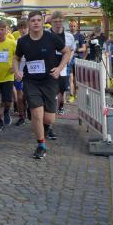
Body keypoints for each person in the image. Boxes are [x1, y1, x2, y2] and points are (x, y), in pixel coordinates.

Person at [13, 10, 71, 159]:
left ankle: (43, 127)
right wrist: (17, 71)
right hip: (31, 81)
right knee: (37, 113)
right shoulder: (23, 41)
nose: (36, 23)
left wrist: (59, 68)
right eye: (33, 21)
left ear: (43, 22)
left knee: (49, 119)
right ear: (29, 23)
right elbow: (16, 58)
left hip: (49, 80)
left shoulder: (51, 37)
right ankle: (41, 145)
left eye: (39, 20)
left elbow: (67, 52)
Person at [0, 19, 18, 131]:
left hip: (7, 77)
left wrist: (15, 67)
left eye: (2, 29)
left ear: (7, 30)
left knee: (7, 101)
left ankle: (6, 112)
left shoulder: (12, 43)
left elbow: (19, 57)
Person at [48, 12, 76, 116]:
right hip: (49, 65)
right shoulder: (46, 34)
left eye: (60, 21)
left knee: (62, 89)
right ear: (51, 22)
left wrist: (69, 58)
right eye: (55, 21)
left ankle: (60, 106)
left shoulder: (69, 36)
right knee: (50, 89)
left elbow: (72, 49)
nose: (58, 23)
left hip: (63, 65)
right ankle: (51, 109)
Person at [12, 19, 29, 126]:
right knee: (19, 96)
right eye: (20, 28)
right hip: (20, 71)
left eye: (25, 28)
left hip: (31, 72)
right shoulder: (16, 41)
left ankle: (30, 111)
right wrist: (16, 70)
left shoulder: (33, 39)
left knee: (29, 95)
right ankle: (21, 116)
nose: (23, 30)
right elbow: (14, 58)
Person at [68, 20, 87, 102]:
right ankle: (71, 95)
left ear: (77, 27)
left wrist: (76, 50)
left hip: (78, 59)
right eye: (71, 26)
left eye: (74, 26)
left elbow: (84, 48)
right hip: (69, 59)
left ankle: (76, 94)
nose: (72, 27)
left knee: (76, 79)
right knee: (70, 78)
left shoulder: (80, 36)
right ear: (69, 27)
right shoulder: (67, 36)